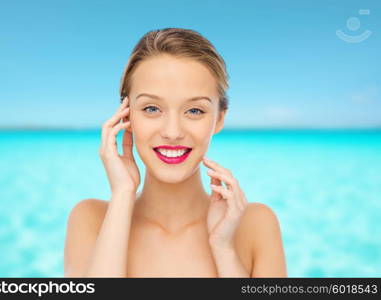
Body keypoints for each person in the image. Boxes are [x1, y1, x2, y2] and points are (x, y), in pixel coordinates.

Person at [64, 28, 287, 277]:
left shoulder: (256, 224)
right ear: (126, 115)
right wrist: (123, 195)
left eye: (194, 111)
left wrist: (224, 249)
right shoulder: (90, 219)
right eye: (151, 108)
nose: (172, 132)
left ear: (220, 118)